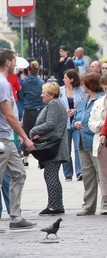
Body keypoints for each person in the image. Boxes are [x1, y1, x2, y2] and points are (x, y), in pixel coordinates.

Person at [0, 49, 35, 230]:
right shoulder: (3, 83)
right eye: (14, 61)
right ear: (7, 63)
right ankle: (15, 216)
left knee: (19, 173)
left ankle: (15, 216)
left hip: (6, 138)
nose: (15, 65)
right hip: (3, 139)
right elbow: (9, 116)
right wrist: (25, 137)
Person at [30, 81, 69, 215]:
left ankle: (54, 206)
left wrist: (34, 130)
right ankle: (56, 204)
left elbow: (51, 124)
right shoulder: (55, 104)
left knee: (50, 175)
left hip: (54, 146)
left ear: (52, 95)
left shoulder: (54, 104)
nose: (41, 95)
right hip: (54, 145)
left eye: (44, 93)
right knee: (51, 175)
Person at [88, 72, 107, 215]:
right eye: (105, 84)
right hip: (102, 139)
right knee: (104, 172)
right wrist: (99, 125)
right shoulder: (98, 102)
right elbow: (90, 122)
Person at [73, 73, 104, 216]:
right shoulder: (84, 99)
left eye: (83, 83)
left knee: (101, 174)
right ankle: (89, 205)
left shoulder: (101, 99)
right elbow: (77, 115)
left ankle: (106, 203)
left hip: (94, 141)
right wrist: (75, 122)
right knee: (87, 176)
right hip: (82, 142)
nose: (81, 86)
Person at [60, 69, 86, 181]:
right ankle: (68, 173)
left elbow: (85, 104)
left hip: (76, 122)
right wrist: (64, 110)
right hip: (64, 123)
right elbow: (56, 104)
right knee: (66, 148)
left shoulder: (81, 90)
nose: (63, 79)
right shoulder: (60, 91)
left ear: (71, 79)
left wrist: (75, 110)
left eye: (65, 77)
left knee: (77, 147)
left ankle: (79, 172)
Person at [20, 60, 44, 167]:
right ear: (38, 71)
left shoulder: (25, 82)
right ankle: (41, 160)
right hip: (40, 110)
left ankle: (25, 159)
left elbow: (21, 95)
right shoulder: (41, 82)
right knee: (39, 134)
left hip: (29, 111)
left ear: (29, 71)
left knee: (27, 134)